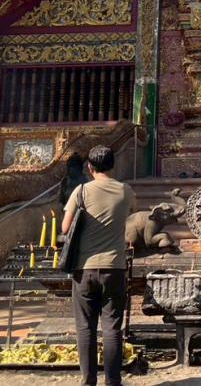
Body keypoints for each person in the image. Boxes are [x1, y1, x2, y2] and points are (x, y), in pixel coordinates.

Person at [61, 145, 136, 386]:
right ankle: (113, 381)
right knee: (112, 327)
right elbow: (130, 214)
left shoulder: (81, 191)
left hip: (84, 268)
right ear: (113, 165)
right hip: (114, 267)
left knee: (86, 327)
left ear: (89, 167)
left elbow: (65, 228)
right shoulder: (125, 190)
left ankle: (88, 381)